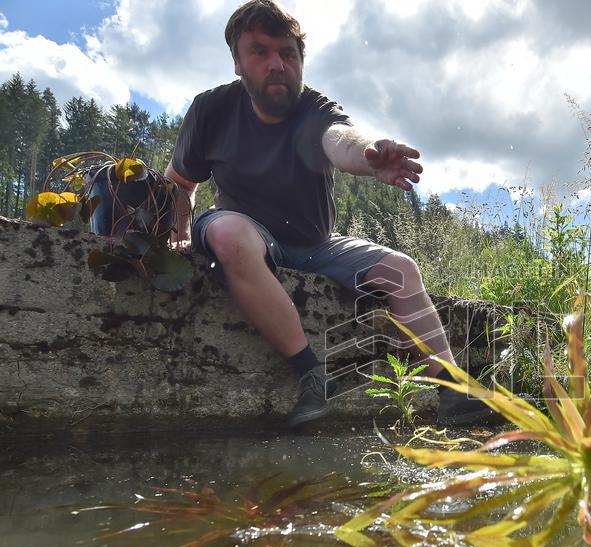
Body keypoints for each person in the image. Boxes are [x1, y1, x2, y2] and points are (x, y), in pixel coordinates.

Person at [166, 0, 493, 428]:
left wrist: (370, 155)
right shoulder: (211, 110)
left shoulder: (315, 109)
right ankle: (311, 376)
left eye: (287, 53)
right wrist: (176, 235)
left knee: (401, 268)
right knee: (229, 234)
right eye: (260, 52)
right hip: (243, 230)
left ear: (301, 60)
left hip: (316, 244)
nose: (276, 64)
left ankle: (453, 390)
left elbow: (341, 139)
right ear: (237, 62)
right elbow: (179, 183)